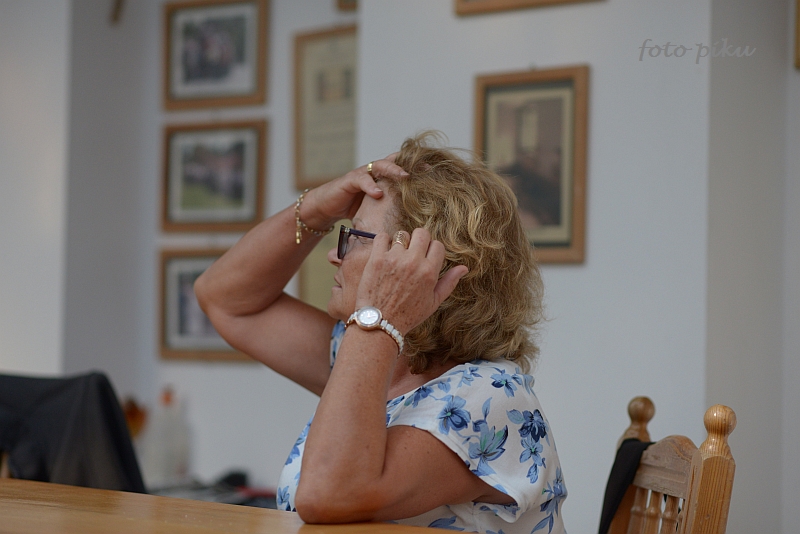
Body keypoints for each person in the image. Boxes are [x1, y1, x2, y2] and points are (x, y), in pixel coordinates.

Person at [194, 132, 567, 533]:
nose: (333, 254)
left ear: (422, 265)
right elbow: (226, 300)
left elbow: (326, 495)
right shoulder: (372, 358)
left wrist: (379, 313)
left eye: (354, 237)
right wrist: (314, 210)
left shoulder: (491, 396)